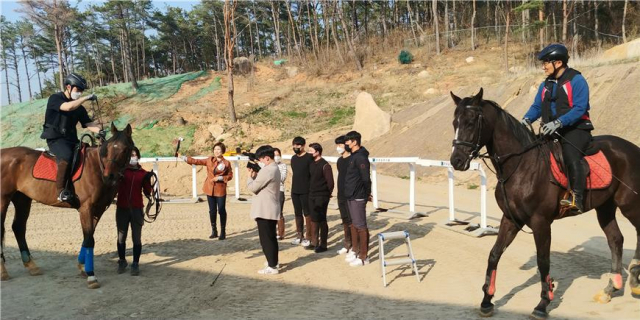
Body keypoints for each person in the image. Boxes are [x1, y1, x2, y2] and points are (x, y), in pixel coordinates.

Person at [521, 43, 594, 213]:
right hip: (552, 130)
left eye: (546, 62)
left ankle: (577, 199)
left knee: (570, 155)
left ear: (558, 63)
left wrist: (559, 122)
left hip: (577, 130)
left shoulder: (577, 80)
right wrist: (526, 120)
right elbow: (537, 107)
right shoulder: (545, 85)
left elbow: (580, 108)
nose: (543, 67)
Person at [40, 73, 103, 205]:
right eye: (78, 90)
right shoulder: (55, 98)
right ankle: (61, 191)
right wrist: (86, 98)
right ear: (68, 87)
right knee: (67, 156)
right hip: (55, 138)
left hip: (71, 139)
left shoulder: (79, 108)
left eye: (82, 91)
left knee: (88, 153)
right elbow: (67, 107)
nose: (79, 93)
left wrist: (100, 130)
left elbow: (87, 124)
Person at [183, 142, 233, 239]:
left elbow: (230, 175)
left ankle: (223, 231)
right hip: (209, 188)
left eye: (218, 149)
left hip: (220, 189)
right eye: (215, 149)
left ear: (222, 151)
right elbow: (196, 161)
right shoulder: (209, 160)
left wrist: (220, 178)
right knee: (212, 211)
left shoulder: (227, 163)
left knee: (221, 210)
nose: (216, 151)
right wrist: (183, 157)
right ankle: (214, 230)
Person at [116, 147, 152, 276]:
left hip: (137, 209)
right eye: (131, 155)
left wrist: (149, 180)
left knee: (136, 238)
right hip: (122, 209)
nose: (133, 157)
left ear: (138, 157)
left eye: (135, 155)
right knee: (121, 237)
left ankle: (135, 263)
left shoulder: (143, 173)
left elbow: (148, 192)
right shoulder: (121, 172)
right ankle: (122, 260)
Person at [247, 145, 281, 275]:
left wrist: (250, 176)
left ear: (267, 158)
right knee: (270, 237)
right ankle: (273, 261)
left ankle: (272, 266)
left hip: (265, 209)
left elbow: (253, 187)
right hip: (269, 208)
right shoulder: (273, 168)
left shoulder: (268, 170)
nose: (260, 162)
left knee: (266, 238)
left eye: (261, 159)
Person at [343, 131, 372, 267]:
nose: (345, 144)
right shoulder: (353, 156)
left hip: (358, 196)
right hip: (350, 195)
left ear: (354, 142)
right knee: (354, 224)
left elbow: (366, 178)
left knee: (361, 226)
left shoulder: (361, 157)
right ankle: (355, 250)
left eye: (347, 141)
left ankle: (363, 257)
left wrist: (367, 194)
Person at [307, 143, 334, 253]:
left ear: (317, 152)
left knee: (321, 219)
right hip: (312, 195)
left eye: (311, 150)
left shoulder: (325, 165)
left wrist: (326, 194)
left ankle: (323, 244)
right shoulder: (311, 163)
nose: (309, 152)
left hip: (322, 196)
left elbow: (330, 183)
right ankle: (314, 242)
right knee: (314, 219)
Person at [289, 136, 314, 247]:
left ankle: (309, 236)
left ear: (303, 145)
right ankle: (299, 235)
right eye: (294, 145)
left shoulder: (309, 157)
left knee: (307, 213)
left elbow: (312, 174)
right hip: (295, 190)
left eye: (298, 145)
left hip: (306, 190)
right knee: (297, 213)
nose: (296, 147)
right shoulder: (293, 158)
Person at [335, 135, 353, 256]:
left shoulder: (352, 159)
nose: (338, 148)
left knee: (352, 220)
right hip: (341, 194)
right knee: (345, 220)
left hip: (350, 194)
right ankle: (347, 244)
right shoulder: (340, 160)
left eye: (340, 145)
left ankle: (354, 246)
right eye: (337, 145)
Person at [274, 148, 287, 240]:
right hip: (270, 191)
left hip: (280, 190)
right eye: (274, 155)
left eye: (278, 155)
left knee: (279, 212)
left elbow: (282, 178)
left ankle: (281, 233)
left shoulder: (283, 165)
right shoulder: (267, 165)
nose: (276, 157)